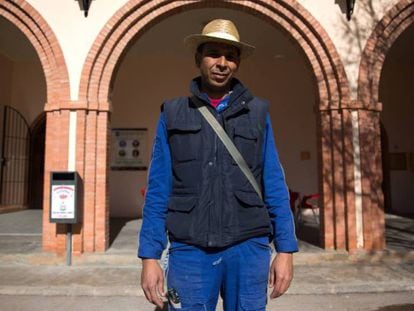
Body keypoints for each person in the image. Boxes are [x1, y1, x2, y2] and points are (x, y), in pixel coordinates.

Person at [138, 19, 298, 310]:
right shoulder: (173, 113)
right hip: (190, 249)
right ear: (198, 58)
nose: (222, 62)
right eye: (213, 53)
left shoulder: (258, 113)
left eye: (231, 56)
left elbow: (274, 183)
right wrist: (150, 257)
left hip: (249, 246)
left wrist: (285, 249)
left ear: (237, 63)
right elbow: (158, 189)